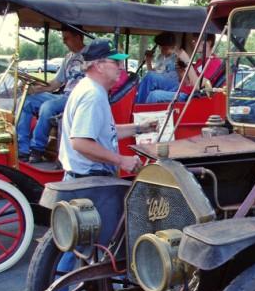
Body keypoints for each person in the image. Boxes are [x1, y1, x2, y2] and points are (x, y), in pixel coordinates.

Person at [58, 40, 155, 180]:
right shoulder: (93, 95)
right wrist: (121, 160)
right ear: (98, 66)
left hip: (84, 180)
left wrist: (140, 128)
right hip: (89, 183)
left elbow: (104, 132)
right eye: (116, 62)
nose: (122, 67)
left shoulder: (90, 87)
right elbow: (80, 143)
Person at [17, 25, 87, 162]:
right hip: (65, 96)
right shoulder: (68, 57)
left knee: (48, 106)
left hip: (79, 98)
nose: (64, 42)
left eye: (66, 38)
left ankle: (37, 148)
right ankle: (22, 148)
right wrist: (34, 89)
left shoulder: (90, 55)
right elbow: (56, 83)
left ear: (78, 37)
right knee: (27, 101)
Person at [145, 33, 223, 103]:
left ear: (208, 43)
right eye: (193, 41)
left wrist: (187, 61)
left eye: (197, 41)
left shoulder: (213, 62)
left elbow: (197, 86)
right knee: (151, 76)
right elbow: (187, 82)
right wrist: (181, 71)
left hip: (189, 96)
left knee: (154, 95)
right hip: (182, 89)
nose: (193, 43)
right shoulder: (200, 61)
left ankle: (139, 115)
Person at [134, 32, 179, 103]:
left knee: (150, 76)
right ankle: (134, 101)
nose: (161, 49)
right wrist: (148, 60)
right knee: (141, 82)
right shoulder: (160, 57)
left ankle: (138, 104)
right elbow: (153, 74)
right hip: (161, 81)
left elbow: (153, 77)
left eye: (164, 47)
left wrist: (174, 52)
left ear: (171, 46)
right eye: (160, 47)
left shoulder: (176, 57)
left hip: (173, 84)